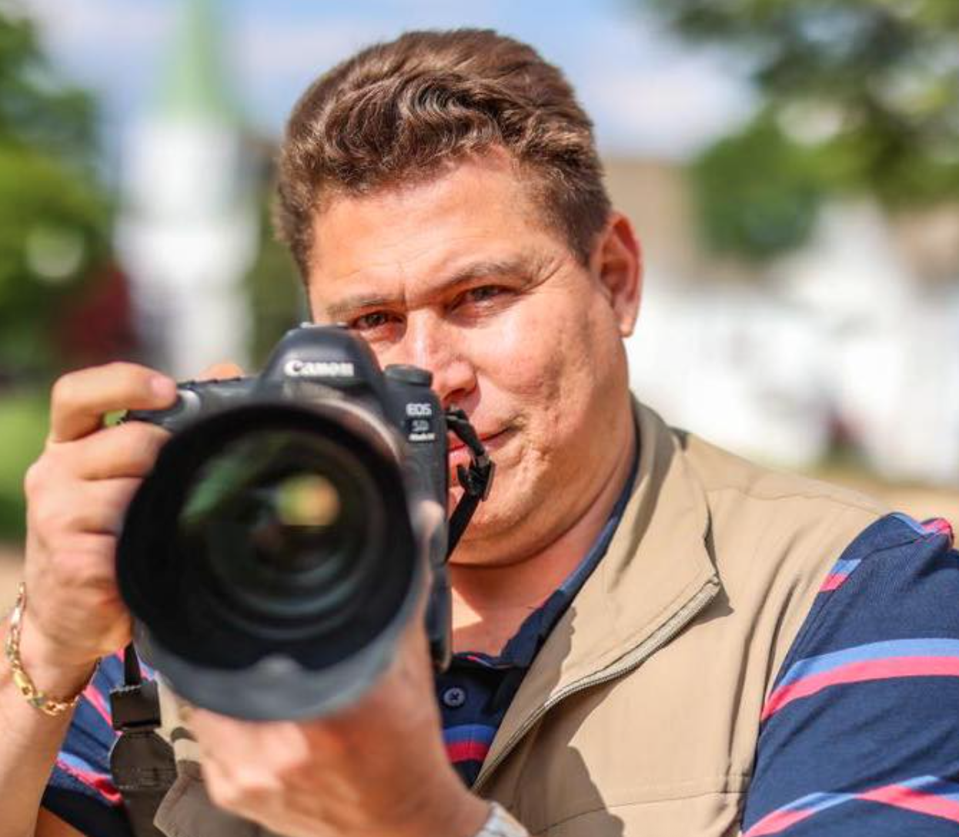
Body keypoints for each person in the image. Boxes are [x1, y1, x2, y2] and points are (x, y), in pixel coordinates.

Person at [3, 28, 959, 837]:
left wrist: (414, 816)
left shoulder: (855, 597)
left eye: (482, 295)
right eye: (371, 320)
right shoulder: (209, 580)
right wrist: (46, 649)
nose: (427, 369)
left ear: (616, 278)